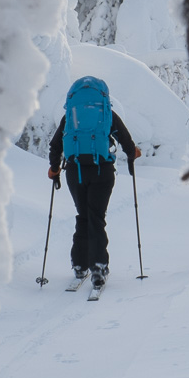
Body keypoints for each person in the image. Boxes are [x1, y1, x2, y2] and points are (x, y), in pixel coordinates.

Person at [47, 76, 141, 289]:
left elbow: (56, 145)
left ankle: (80, 265)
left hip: (75, 170)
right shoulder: (107, 113)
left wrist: (54, 169)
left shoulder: (70, 116)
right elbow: (125, 140)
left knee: (83, 216)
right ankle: (98, 267)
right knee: (96, 217)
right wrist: (133, 153)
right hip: (102, 170)